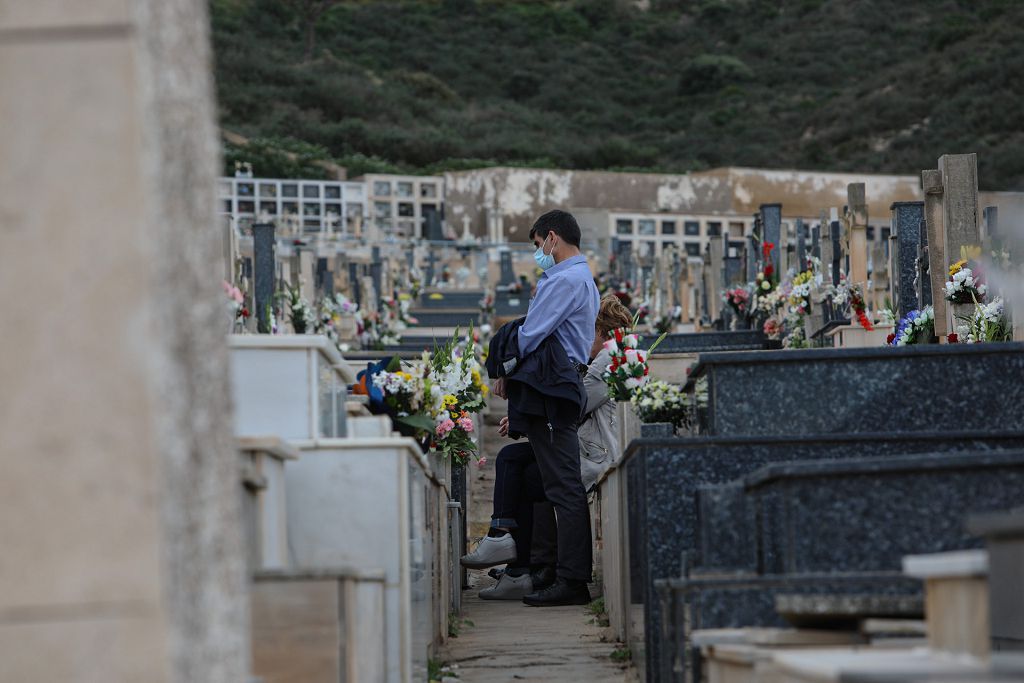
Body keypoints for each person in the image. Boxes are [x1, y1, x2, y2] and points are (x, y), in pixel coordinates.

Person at [462, 295, 633, 600]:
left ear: (603, 333)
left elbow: (575, 405)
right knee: (515, 459)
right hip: (583, 447)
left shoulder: (610, 361)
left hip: (598, 456)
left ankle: (529, 564)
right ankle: (513, 552)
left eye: (587, 332)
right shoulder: (606, 357)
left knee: (531, 475)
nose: (581, 338)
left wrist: (526, 418)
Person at [480, 210, 601, 606]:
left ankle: (571, 580)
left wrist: (505, 368)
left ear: (552, 238)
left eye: (537, 245)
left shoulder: (564, 278)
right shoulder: (577, 277)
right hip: (558, 384)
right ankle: (546, 567)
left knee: (563, 488)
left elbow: (531, 334)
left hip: (553, 388)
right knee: (548, 484)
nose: (538, 254)